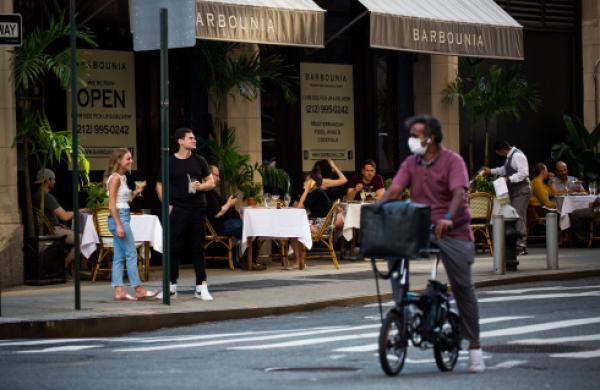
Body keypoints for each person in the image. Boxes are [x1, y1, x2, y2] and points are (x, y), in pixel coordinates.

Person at [381, 114, 485, 373]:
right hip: (421, 227)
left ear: (432, 137)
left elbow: (459, 193)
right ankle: (400, 308)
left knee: (462, 287)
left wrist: (449, 218)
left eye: (417, 135)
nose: (412, 140)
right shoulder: (411, 162)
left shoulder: (453, 161)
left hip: (453, 230)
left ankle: (475, 348)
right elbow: (394, 190)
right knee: (393, 249)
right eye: (411, 135)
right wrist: (375, 208)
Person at [155, 128, 216, 300]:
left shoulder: (200, 160)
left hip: (197, 208)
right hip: (177, 209)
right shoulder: (169, 162)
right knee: (174, 248)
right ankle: (171, 286)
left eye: (194, 137)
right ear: (180, 141)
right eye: (190, 138)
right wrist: (165, 204)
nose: (194, 140)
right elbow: (159, 184)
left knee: (198, 247)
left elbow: (211, 182)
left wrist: (200, 187)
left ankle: (201, 286)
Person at [105, 148, 158, 301]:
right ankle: (139, 289)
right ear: (119, 161)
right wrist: (119, 224)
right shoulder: (115, 178)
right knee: (131, 253)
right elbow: (112, 204)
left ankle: (119, 290)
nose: (131, 161)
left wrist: (136, 192)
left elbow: (124, 200)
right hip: (119, 218)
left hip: (122, 216)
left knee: (120, 256)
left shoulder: (121, 178)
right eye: (128, 158)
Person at [205, 165, 263, 270]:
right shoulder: (207, 192)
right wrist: (229, 203)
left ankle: (248, 260)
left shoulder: (211, 191)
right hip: (222, 225)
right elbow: (217, 213)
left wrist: (230, 204)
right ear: (208, 176)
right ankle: (248, 261)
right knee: (252, 228)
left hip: (229, 221)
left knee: (253, 226)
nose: (219, 179)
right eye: (216, 176)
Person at [481, 141, 531, 256]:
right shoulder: (510, 156)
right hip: (515, 190)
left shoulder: (517, 155)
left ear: (501, 150)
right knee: (514, 216)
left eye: (497, 153)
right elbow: (504, 170)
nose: (498, 155)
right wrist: (490, 171)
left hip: (522, 190)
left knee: (519, 216)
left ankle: (521, 246)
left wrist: (508, 179)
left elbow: (524, 173)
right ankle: (516, 244)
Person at [32, 168, 85, 271]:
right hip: (53, 231)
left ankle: (77, 268)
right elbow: (64, 216)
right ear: (48, 180)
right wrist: (80, 211)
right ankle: (63, 266)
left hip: (52, 228)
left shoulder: (36, 195)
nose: (55, 182)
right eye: (53, 179)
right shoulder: (46, 197)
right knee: (84, 239)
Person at [289, 167, 332, 268]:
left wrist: (306, 190)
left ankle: (297, 260)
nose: (305, 182)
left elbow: (299, 207)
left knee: (294, 230)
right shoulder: (314, 193)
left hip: (321, 226)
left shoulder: (317, 192)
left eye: (307, 181)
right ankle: (298, 259)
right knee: (294, 228)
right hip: (317, 223)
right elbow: (298, 206)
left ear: (313, 183)